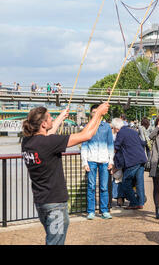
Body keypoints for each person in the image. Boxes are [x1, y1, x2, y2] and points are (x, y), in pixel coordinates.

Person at [21, 103, 109, 245]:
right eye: (50, 117)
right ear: (43, 123)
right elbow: (86, 135)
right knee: (55, 242)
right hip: (55, 204)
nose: (52, 119)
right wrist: (98, 114)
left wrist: (61, 117)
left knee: (53, 239)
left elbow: (47, 134)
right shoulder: (49, 142)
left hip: (41, 202)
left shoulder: (27, 142)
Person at [81, 104, 114, 220]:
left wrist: (111, 160)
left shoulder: (107, 127)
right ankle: (91, 211)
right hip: (91, 160)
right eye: (93, 112)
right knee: (91, 187)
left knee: (104, 187)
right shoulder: (88, 127)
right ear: (91, 114)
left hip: (104, 160)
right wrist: (84, 162)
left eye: (97, 111)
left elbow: (111, 144)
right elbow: (84, 145)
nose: (96, 114)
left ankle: (104, 210)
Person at [112, 118, 148, 210]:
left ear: (116, 128)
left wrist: (110, 159)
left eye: (113, 128)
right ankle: (140, 202)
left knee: (126, 182)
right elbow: (142, 143)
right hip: (141, 158)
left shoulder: (120, 133)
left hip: (132, 160)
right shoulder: (133, 131)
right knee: (139, 182)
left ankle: (133, 202)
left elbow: (116, 147)